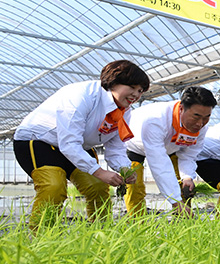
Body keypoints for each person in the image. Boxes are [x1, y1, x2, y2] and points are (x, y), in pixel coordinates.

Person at [13, 60, 149, 228]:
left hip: (79, 146)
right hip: (39, 141)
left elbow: (115, 147)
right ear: (114, 82)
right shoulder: (82, 95)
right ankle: (39, 239)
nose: (136, 95)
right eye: (132, 87)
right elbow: (69, 142)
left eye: (140, 91)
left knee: (98, 187)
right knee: (53, 187)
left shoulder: (123, 112)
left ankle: (100, 233)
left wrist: (124, 168)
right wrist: (99, 171)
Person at [125, 86, 215, 216]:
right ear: (182, 109)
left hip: (171, 148)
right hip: (135, 145)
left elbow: (189, 155)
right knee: (134, 186)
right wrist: (175, 202)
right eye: (196, 116)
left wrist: (187, 176)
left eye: (206, 117)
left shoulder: (200, 128)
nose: (200, 123)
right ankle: (136, 222)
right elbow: (159, 164)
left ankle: (182, 221)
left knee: (182, 185)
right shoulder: (156, 120)